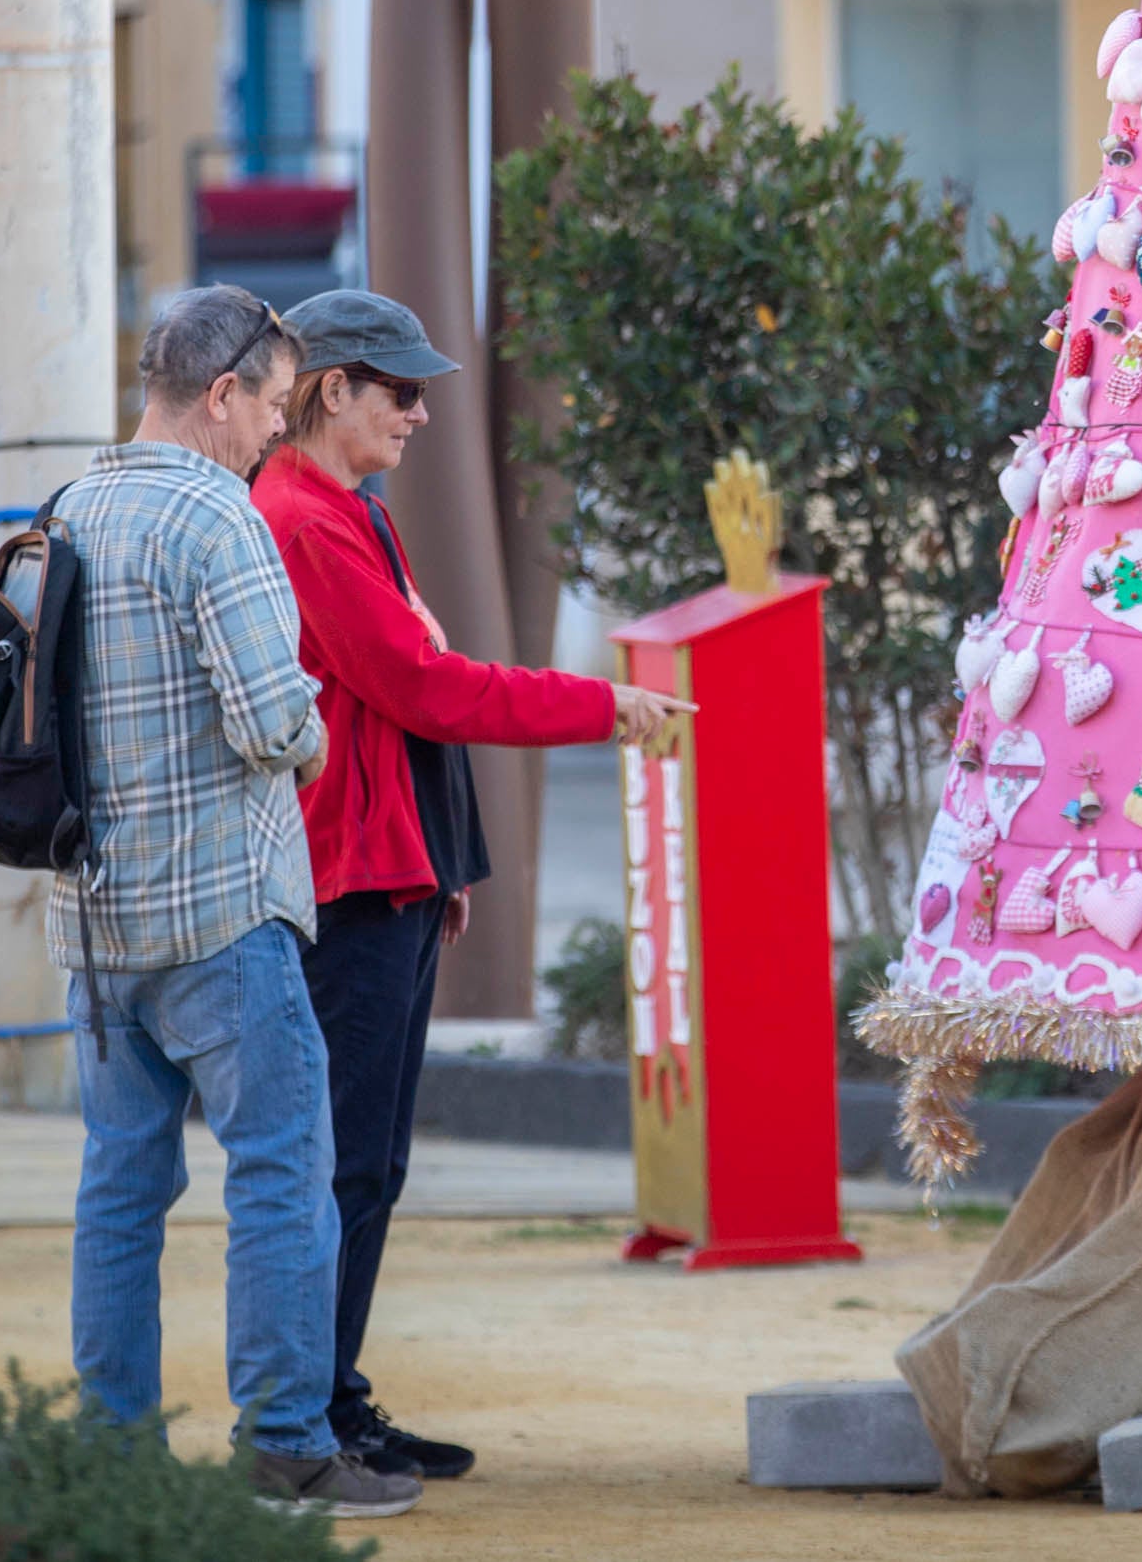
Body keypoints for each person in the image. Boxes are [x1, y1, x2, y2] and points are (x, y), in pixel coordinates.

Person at [251, 288, 689, 1482]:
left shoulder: (335, 508)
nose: (422, 412)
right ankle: (306, 1419)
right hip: (348, 884)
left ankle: (328, 1403)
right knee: (343, 1165)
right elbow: (426, 689)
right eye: (401, 390)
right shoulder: (305, 516)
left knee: (365, 1163)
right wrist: (603, 705)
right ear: (331, 387)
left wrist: (441, 863)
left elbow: (407, 697)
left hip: (379, 874)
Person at [49, 285, 412, 1521]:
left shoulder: (73, 507)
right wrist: (311, 742)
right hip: (222, 914)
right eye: (267, 399)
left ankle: (108, 1448)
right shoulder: (222, 520)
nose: (273, 425)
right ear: (222, 394)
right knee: (278, 1172)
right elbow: (276, 722)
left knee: (119, 1186)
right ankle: (286, 1444)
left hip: (95, 926)